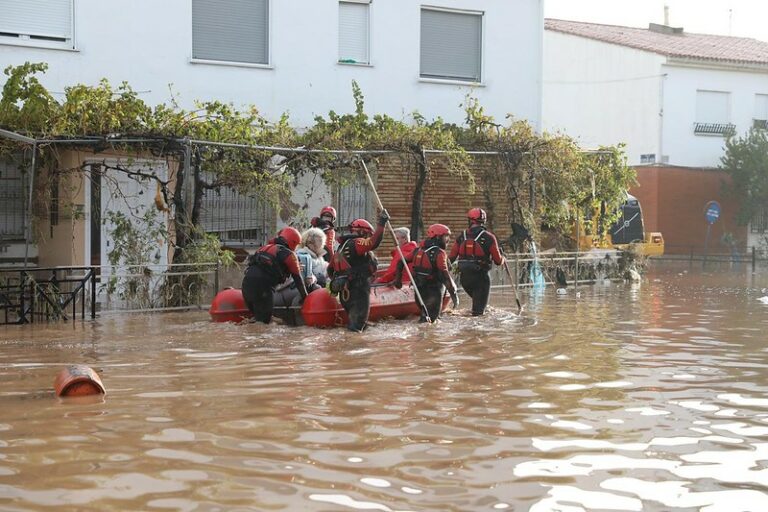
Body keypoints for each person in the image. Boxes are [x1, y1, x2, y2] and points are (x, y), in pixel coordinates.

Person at [328, 209, 390, 331]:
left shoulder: (341, 248)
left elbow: (330, 270)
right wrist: (382, 223)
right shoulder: (357, 243)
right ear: (362, 232)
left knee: (359, 325)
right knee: (356, 329)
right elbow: (373, 243)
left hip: (345, 293)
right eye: (368, 235)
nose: (368, 238)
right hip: (358, 291)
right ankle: (353, 348)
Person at [242, 227, 308, 324]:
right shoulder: (289, 254)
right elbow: (298, 281)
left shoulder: (264, 248)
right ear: (293, 242)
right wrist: (306, 298)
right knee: (264, 324)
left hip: (246, 285)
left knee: (258, 319)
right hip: (263, 288)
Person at [395, 223, 458, 323]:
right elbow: (444, 274)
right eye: (446, 236)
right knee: (431, 322)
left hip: (419, 292)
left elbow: (401, 262)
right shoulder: (440, 253)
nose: (448, 240)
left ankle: (420, 337)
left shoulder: (418, 250)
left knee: (425, 318)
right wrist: (453, 294)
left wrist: (398, 280)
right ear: (437, 237)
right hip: (433, 293)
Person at [448, 208, 505, 316]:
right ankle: (476, 332)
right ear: (483, 221)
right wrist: (503, 258)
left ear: (470, 220)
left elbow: (451, 258)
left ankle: (469, 330)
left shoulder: (461, 236)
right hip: (481, 280)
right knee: (479, 314)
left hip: (465, 280)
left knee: (478, 305)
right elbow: (498, 261)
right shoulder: (489, 237)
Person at [272, 227, 328, 317]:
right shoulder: (302, 255)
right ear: (310, 242)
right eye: (319, 241)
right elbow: (304, 279)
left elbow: (326, 271)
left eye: (322, 240)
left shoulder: (319, 259)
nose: (322, 244)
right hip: (289, 291)